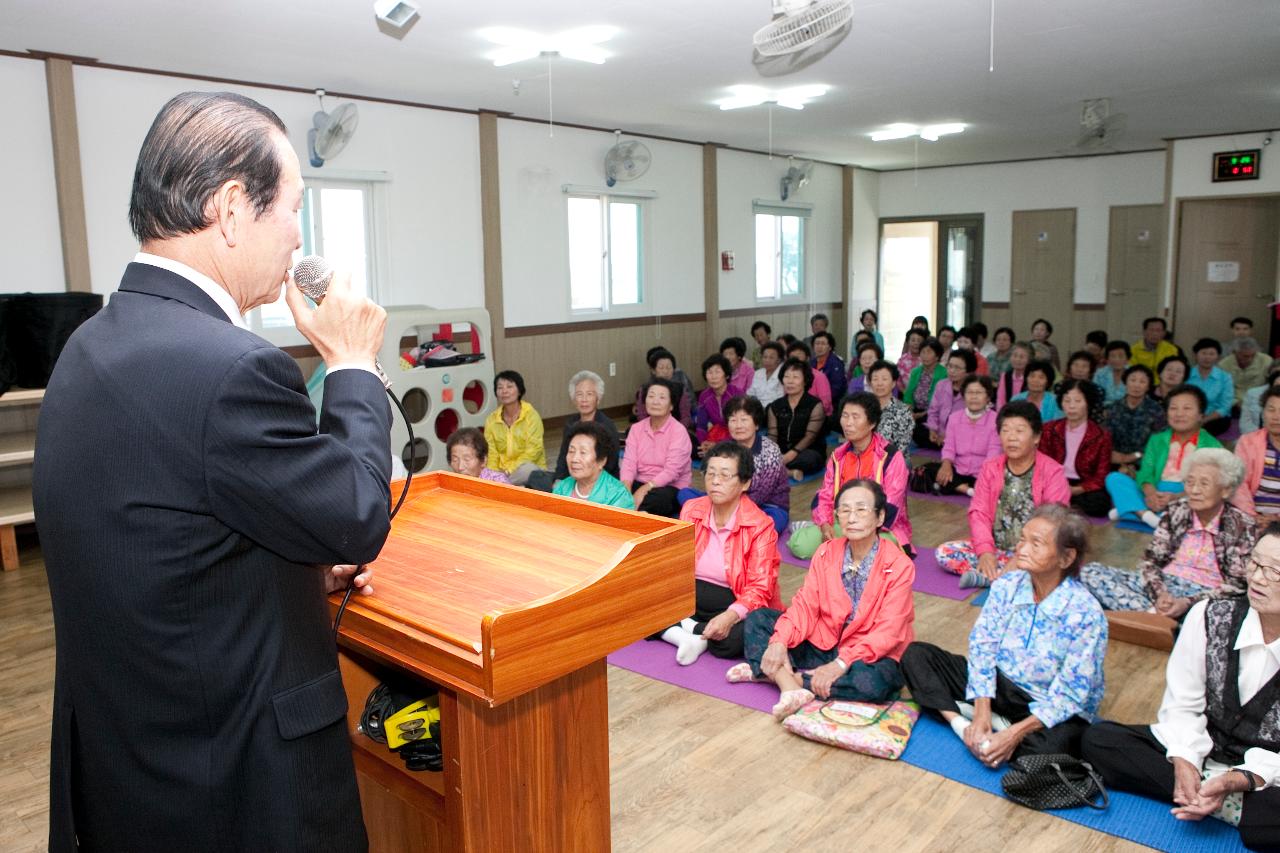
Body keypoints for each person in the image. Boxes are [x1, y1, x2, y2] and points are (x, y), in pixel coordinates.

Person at [33, 91, 391, 851]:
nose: (299, 235)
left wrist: (291, 578)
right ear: (232, 208)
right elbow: (359, 512)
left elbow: (161, 539)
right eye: (293, 208)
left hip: (132, 768)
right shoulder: (232, 368)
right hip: (233, 787)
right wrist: (353, 364)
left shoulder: (88, 347)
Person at [1080, 527, 1280, 851]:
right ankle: (1212, 797)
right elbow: (1183, 703)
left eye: (1274, 572)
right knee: (1099, 740)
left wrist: (1241, 778)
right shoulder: (1209, 616)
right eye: (1254, 564)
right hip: (1205, 747)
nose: (1257, 579)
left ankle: (1223, 799)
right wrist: (1186, 759)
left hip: (1265, 772)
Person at [901, 505, 1106, 765]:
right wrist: (982, 711)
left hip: (1042, 705)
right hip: (999, 687)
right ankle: (963, 726)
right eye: (1022, 539)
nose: (1021, 549)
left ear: (1066, 558)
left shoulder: (1086, 612)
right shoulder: (1008, 585)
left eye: (1036, 544)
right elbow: (983, 647)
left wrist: (1014, 734)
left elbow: (1071, 694)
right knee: (916, 655)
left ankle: (1000, 731)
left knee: (1062, 747)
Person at [736, 480, 915, 719]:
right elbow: (806, 605)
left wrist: (841, 664)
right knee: (759, 618)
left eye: (861, 510)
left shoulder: (899, 565)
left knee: (877, 682)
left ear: (880, 517)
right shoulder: (826, 551)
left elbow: (889, 632)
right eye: (845, 510)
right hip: (824, 641)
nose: (852, 518)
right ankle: (789, 687)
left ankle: (785, 676)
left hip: (866, 652)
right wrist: (779, 641)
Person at [1083, 448, 1255, 614]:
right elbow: (1150, 562)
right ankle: (1157, 618)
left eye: (1204, 484)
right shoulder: (1176, 511)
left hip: (1206, 596)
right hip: (1163, 585)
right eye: (1190, 482)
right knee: (1090, 572)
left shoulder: (1242, 525)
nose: (1194, 490)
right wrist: (1160, 593)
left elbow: (1237, 586)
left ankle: (1146, 618)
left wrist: (1187, 602)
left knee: (1226, 610)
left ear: (1226, 489)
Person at [659, 443, 781, 665]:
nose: (715, 481)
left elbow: (760, 588)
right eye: (711, 473)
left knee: (731, 641)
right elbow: (674, 561)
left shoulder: (760, 525)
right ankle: (692, 634)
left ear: (745, 483)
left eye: (725, 475)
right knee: (638, 601)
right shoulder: (691, 509)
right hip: (690, 595)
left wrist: (729, 616)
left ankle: (685, 628)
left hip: (733, 599)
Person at [935, 401, 1072, 588]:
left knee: (1052, 564)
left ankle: (989, 578)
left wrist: (1021, 556)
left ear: (1036, 437)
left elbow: (1053, 522)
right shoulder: (990, 468)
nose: (1011, 438)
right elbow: (979, 513)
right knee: (945, 552)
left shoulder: (1053, 472)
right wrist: (985, 552)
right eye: (1005, 431)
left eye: (1019, 431)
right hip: (997, 549)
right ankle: (1006, 578)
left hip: (1035, 552)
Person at [790, 392, 912, 559]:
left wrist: (859, 527)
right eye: (845, 416)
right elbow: (825, 494)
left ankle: (839, 544)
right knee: (800, 546)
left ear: (872, 423)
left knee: (877, 556)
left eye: (855, 417)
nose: (848, 423)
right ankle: (832, 538)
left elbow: (891, 505)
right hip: (841, 520)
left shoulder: (890, 456)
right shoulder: (838, 456)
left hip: (877, 526)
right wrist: (825, 524)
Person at [1106, 384, 1223, 531]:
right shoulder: (1157, 440)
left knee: (1203, 502)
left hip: (1186, 494)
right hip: (1155, 489)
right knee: (1114, 478)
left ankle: (1131, 510)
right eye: (1173, 408)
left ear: (1201, 415)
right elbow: (1146, 472)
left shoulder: (1212, 445)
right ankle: (1148, 516)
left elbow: (1211, 484)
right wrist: (1150, 494)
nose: (1179, 414)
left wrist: (1176, 497)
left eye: (1187, 408)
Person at [530, 370, 619, 491]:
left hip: (598, 481)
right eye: (579, 394)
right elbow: (563, 458)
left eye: (589, 394)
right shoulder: (571, 424)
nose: (584, 399)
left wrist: (579, 481)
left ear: (598, 398)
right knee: (535, 478)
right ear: (573, 399)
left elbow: (610, 464)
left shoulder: (607, 426)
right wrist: (559, 480)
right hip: (573, 476)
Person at [913, 374, 999, 496]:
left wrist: (985, 476)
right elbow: (949, 447)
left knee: (998, 483)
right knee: (922, 471)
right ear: (964, 396)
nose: (974, 397)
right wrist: (946, 464)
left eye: (979, 393)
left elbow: (994, 453)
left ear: (988, 397)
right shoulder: (954, 418)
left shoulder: (996, 420)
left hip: (984, 471)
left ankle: (957, 487)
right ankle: (969, 491)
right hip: (958, 469)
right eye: (970, 392)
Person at [1038, 380, 1112, 517]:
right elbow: (1042, 462)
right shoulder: (1049, 429)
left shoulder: (1101, 435)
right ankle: (1060, 502)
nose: (1071, 406)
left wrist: (1076, 490)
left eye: (1078, 401)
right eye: (1067, 401)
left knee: (1100, 503)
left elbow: (1101, 474)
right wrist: (1057, 485)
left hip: (1082, 486)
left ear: (1088, 403)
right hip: (1054, 480)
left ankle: (1059, 503)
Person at [621, 378, 692, 517]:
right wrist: (625, 489)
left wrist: (645, 489)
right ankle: (636, 514)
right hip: (640, 481)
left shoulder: (679, 431)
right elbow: (628, 463)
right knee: (614, 490)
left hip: (668, 487)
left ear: (671, 405)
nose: (655, 401)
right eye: (651, 396)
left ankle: (634, 516)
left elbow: (672, 471)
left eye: (662, 397)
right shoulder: (636, 429)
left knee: (659, 500)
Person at [726, 395, 790, 532]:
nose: (738, 425)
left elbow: (761, 495)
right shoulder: (724, 449)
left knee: (767, 527)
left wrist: (727, 508)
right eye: (733, 420)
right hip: (730, 504)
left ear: (756, 424)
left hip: (769, 507)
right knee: (685, 495)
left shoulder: (770, 451)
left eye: (744, 420)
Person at [551, 420, 634, 509]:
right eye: (571, 451)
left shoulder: (618, 495)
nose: (574, 459)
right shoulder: (561, 488)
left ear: (601, 460)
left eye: (583, 452)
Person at [484, 369, 547, 485]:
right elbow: (491, 453)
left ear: (519, 391)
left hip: (526, 468)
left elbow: (534, 450)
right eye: (500, 387)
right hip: (502, 471)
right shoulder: (491, 420)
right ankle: (500, 484)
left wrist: (510, 469)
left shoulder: (531, 416)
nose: (504, 391)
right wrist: (492, 473)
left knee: (529, 470)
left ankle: (503, 485)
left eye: (509, 386)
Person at [768, 358, 827, 480]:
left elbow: (810, 437)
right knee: (758, 453)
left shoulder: (815, 404)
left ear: (805, 381)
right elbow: (772, 435)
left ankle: (774, 468)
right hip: (782, 450)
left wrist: (789, 456)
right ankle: (788, 472)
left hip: (807, 450)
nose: (790, 381)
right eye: (787, 377)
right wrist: (772, 454)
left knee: (810, 460)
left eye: (795, 377)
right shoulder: (775, 406)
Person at [1107, 365, 1164, 474]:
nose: (1136, 385)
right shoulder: (1113, 408)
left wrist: (1134, 458)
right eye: (1133, 380)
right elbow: (1106, 437)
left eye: (1142, 382)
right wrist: (1120, 459)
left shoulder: (1156, 410)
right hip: (1115, 461)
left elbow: (1158, 442)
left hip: (1145, 463)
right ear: (1125, 383)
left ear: (1148, 387)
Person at [1233, 388, 1280, 520]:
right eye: (1271, 409)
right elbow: (1239, 484)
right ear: (1263, 413)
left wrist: (1276, 520)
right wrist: (1254, 517)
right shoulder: (1247, 442)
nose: (1276, 416)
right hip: (1251, 517)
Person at [924, 349, 977, 448]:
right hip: (940, 431)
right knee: (918, 431)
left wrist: (949, 435)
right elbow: (933, 410)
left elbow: (973, 422)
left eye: (957, 368)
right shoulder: (941, 384)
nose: (952, 371)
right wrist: (933, 429)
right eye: (950, 366)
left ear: (968, 371)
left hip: (962, 435)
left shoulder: (975, 389)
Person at [635, 347, 694, 428]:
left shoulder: (680, 389)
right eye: (661, 368)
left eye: (669, 367)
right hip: (651, 429)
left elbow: (685, 416)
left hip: (675, 429)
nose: (665, 371)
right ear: (653, 370)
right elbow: (642, 415)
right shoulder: (645, 389)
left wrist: (677, 431)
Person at [1188, 338, 1236, 437]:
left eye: (1211, 354)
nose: (1207, 357)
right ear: (1196, 355)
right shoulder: (1186, 374)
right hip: (1189, 415)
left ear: (1218, 357)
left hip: (1215, 418)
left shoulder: (1225, 377)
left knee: (1203, 431)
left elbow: (1225, 406)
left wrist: (1204, 420)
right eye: (1204, 353)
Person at [906, 338, 947, 443]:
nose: (925, 355)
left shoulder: (944, 373)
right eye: (923, 352)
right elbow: (908, 395)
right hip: (914, 412)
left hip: (932, 414)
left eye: (929, 352)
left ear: (937, 356)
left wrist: (922, 414)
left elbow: (941, 403)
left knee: (922, 432)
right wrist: (910, 412)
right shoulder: (915, 371)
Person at [868, 360, 913, 456]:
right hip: (866, 458)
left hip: (893, 461)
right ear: (870, 383)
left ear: (893, 383)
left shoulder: (903, 411)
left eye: (884, 379)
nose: (879, 383)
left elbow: (902, 446)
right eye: (875, 379)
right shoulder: (864, 407)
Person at [695, 353, 734, 457]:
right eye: (709, 372)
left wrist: (718, 445)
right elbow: (701, 424)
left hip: (735, 437)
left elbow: (740, 427)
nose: (713, 376)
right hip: (715, 435)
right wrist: (703, 443)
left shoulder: (736, 395)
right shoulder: (704, 396)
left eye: (717, 372)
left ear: (726, 375)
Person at [1222, 337, 1273, 411]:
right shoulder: (1224, 364)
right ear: (1235, 353)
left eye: (1253, 355)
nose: (1250, 359)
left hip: (1260, 401)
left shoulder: (1266, 361)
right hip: (1233, 404)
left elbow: (1272, 384)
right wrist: (1236, 402)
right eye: (1245, 356)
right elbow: (1223, 390)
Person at [447, 427, 511, 484]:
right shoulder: (449, 483)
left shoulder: (499, 483)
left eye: (467, 459)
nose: (460, 467)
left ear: (483, 461)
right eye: (455, 460)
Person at [787, 340, 832, 416]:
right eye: (792, 357)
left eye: (798, 356)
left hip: (818, 416)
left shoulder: (819, 377)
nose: (795, 360)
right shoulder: (788, 377)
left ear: (807, 358)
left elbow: (825, 404)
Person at [1132, 316, 1181, 381]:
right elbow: (1132, 371)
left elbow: (1174, 370)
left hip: (1164, 384)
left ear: (1164, 333)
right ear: (1144, 332)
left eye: (1158, 330)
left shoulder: (1172, 350)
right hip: (1142, 384)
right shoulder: (1134, 350)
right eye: (1151, 330)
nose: (1155, 334)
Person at [1241, 366, 1280, 435]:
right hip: (1256, 437)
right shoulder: (1255, 395)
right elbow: (1245, 423)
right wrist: (1260, 437)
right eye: (1277, 386)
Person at [995, 341, 1032, 409]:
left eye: (1022, 357)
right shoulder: (1005, 376)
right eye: (1015, 355)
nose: (1017, 359)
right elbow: (1000, 400)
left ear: (1029, 360)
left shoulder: (1031, 378)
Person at [748, 340, 786, 406]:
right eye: (765, 357)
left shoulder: (784, 374)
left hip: (775, 410)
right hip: (757, 410)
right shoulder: (758, 373)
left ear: (779, 360)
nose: (767, 360)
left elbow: (781, 399)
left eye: (771, 357)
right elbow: (750, 394)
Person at [1094, 340, 1132, 405]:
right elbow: (1095, 396)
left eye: (1121, 356)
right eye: (1113, 356)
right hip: (1104, 409)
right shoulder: (1100, 374)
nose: (1117, 360)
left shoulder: (1134, 373)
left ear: (1127, 359)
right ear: (1107, 359)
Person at [811, 331, 847, 398]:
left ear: (830, 347)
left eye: (823, 344)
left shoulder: (836, 363)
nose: (819, 346)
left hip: (832, 401)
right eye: (817, 343)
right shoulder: (811, 362)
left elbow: (837, 388)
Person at [897, 328, 926, 393]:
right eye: (913, 340)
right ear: (908, 342)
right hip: (905, 396)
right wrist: (906, 394)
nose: (916, 343)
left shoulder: (927, 359)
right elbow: (898, 381)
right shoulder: (902, 360)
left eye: (919, 340)